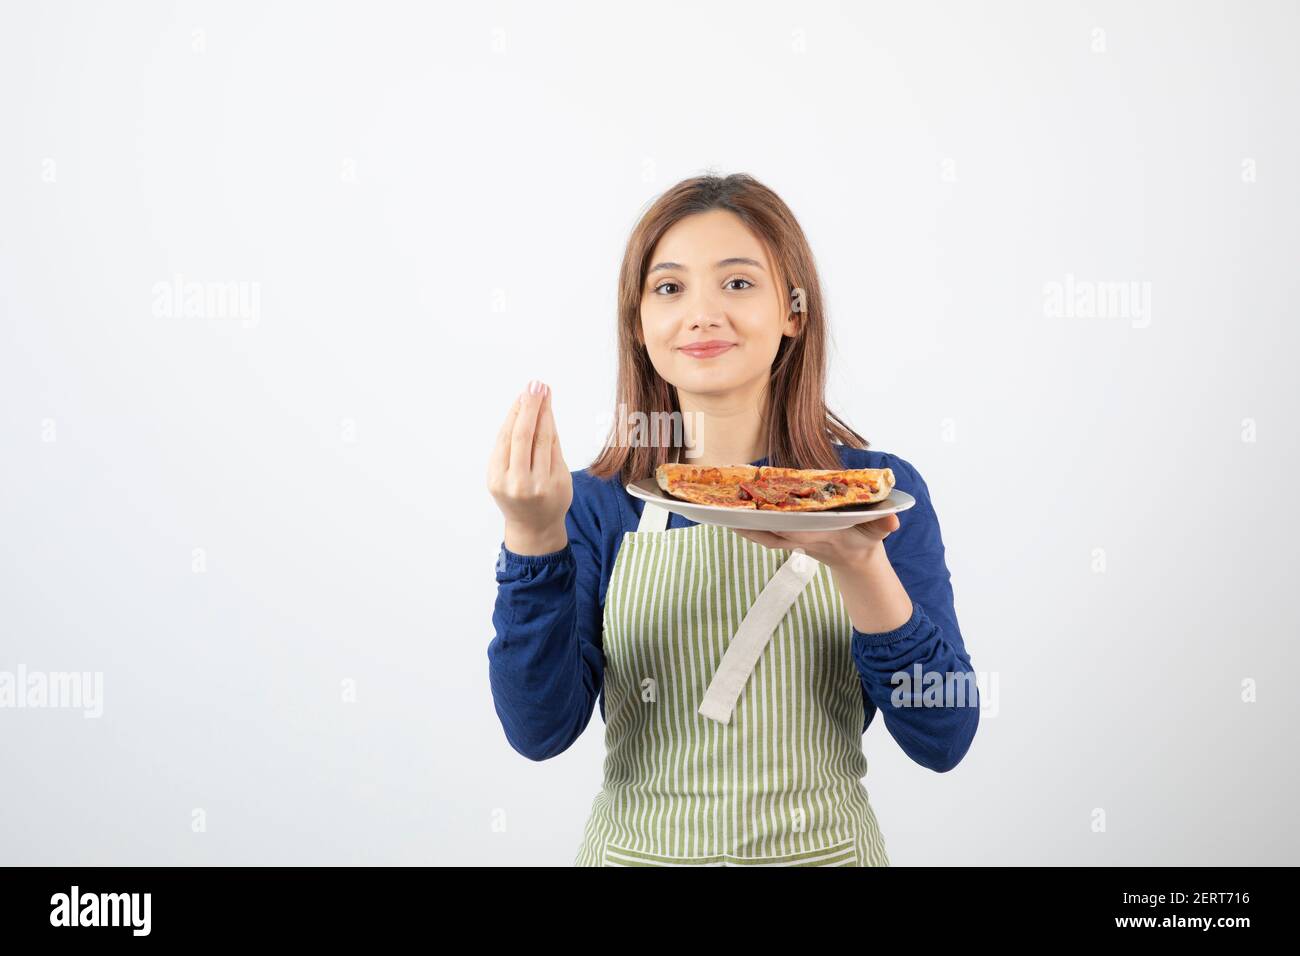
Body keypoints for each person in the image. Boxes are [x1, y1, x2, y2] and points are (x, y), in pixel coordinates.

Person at [486, 172, 979, 866]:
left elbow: (945, 736)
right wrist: (534, 539)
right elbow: (538, 731)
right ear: (639, 322)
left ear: (794, 312)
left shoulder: (877, 497)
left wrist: (862, 565)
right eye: (669, 288)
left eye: (739, 284)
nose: (702, 313)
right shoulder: (595, 503)